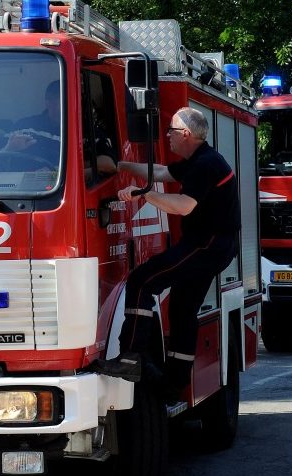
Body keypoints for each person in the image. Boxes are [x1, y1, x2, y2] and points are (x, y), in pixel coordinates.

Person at [86, 107, 240, 401]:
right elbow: (159, 172)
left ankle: (130, 357)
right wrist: (119, 165)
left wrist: (143, 194)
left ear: (185, 134)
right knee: (182, 309)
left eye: (170, 130)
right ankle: (174, 383)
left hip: (206, 245)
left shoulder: (206, 164)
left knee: (142, 280)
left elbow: (183, 205)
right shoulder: (199, 159)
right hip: (212, 246)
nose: (166, 135)